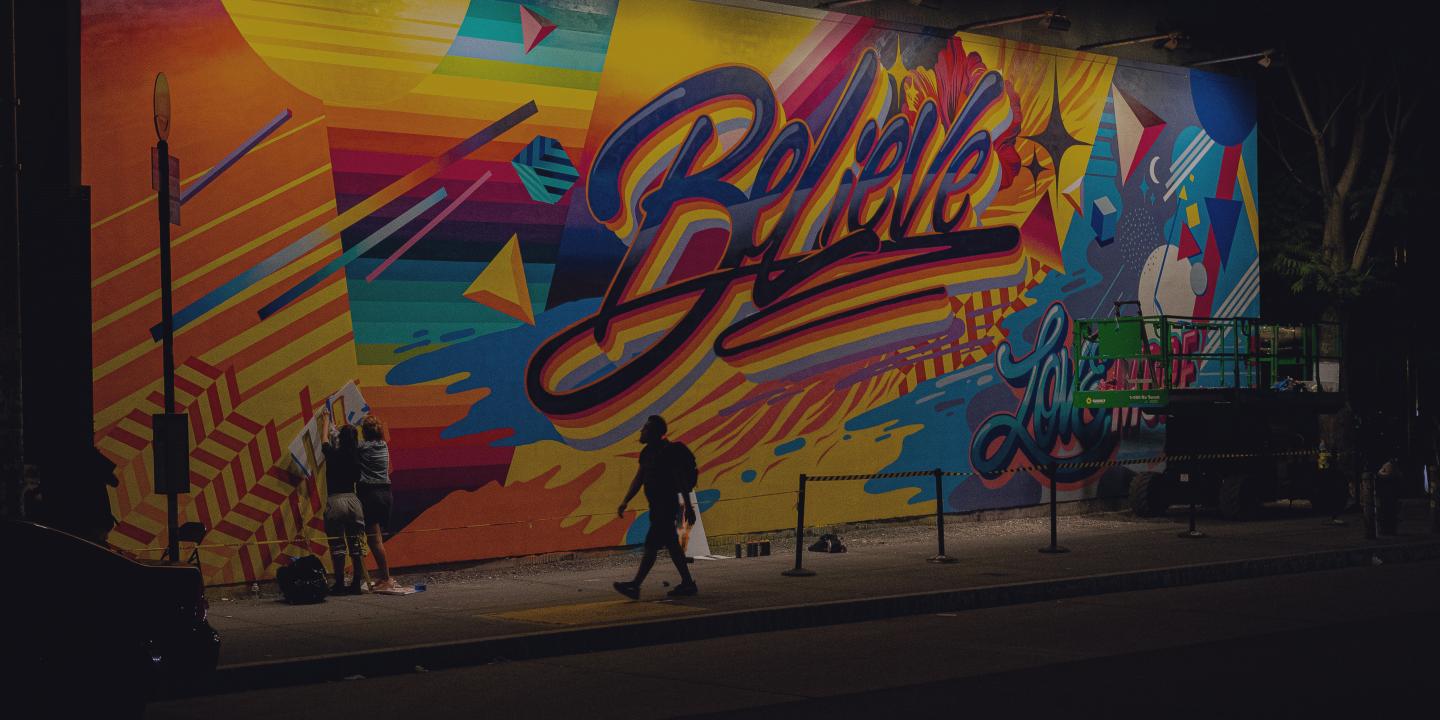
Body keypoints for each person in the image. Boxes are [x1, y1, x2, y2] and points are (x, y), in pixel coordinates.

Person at [614, 415, 698, 599]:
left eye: (645, 428)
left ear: (653, 432)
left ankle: (636, 585)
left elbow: (680, 479)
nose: (641, 431)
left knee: (652, 545)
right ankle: (687, 583)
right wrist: (625, 500)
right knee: (671, 546)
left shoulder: (667, 452)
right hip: (656, 507)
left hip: (665, 507)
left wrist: (689, 507)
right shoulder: (647, 453)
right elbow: (639, 479)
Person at [319, 409, 367, 594]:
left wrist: (325, 421)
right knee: (356, 544)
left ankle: (339, 583)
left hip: (336, 499)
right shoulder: (356, 458)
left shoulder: (334, 454)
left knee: (338, 545)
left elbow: (324, 442)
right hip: (353, 500)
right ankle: (356, 582)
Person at [356, 414, 400, 592]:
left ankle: (386, 577)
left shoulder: (363, 448)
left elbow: (346, 445)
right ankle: (384, 576)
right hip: (386, 493)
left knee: (374, 540)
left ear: (365, 433)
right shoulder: (383, 446)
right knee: (377, 538)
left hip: (370, 494)